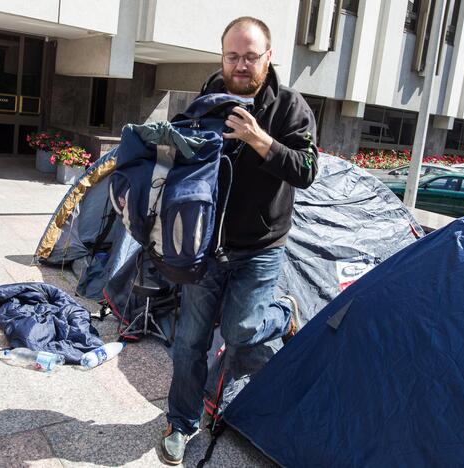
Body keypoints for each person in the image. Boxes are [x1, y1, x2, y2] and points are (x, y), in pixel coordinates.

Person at [158, 16, 319, 465]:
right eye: (234, 55)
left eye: (251, 56)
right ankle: (182, 423)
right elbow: (174, 167)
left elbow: (306, 170)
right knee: (189, 340)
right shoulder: (202, 103)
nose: (242, 64)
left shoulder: (290, 108)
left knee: (239, 330)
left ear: (268, 57)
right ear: (222, 56)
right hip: (203, 249)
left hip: (260, 248)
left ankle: (283, 312)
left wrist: (258, 139)